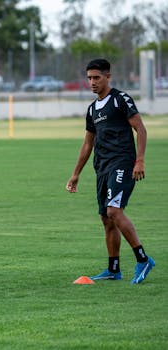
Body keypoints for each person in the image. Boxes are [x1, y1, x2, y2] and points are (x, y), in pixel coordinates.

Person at [66, 58, 155, 284]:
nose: (92, 82)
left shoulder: (120, 99)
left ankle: (143, 259)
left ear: (108, 76)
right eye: (89, 78)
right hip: (102, 167)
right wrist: (76, 174)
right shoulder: (92, 109)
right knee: (106, 218)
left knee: (114, 211)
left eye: (97, 77)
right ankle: (113, 269)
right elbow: (88, 144)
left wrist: (140, 160)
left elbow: (140, 129)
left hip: (122, 163)